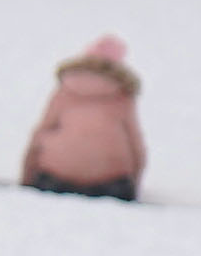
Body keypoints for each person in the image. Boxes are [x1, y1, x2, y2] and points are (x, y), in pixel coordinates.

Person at [21, 34, 146, 198]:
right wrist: (134, 184)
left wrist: (27, 179)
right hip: (108, 182)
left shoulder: (65, 90)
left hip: (56, 177)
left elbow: (40, 134)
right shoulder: (122, 96)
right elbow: (135, 145)